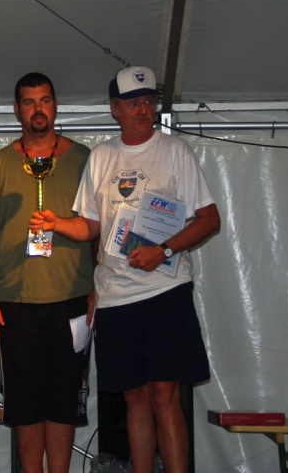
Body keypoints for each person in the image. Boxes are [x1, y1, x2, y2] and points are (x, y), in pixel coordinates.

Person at [31, 66, 220, 473]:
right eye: (133, 103)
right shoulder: (102, 156)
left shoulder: (175, 151)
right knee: (133, 397)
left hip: (165, 291)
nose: (143, 110)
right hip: (116, 296)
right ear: (115, 109)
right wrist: (56, 223)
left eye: (148, 101)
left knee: (165, 393)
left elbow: (209, 219)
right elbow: (91, 226)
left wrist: (163, 249)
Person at [0, 72, 95, 473]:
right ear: (16, 109)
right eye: (29, 102)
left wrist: (100, 288)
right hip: (15, 302)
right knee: (25, 405)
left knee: (63, 402)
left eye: (45, 100)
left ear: (55, 105)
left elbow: (101, 227)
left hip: (73, 297)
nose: (38, 109)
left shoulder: (85, 159)